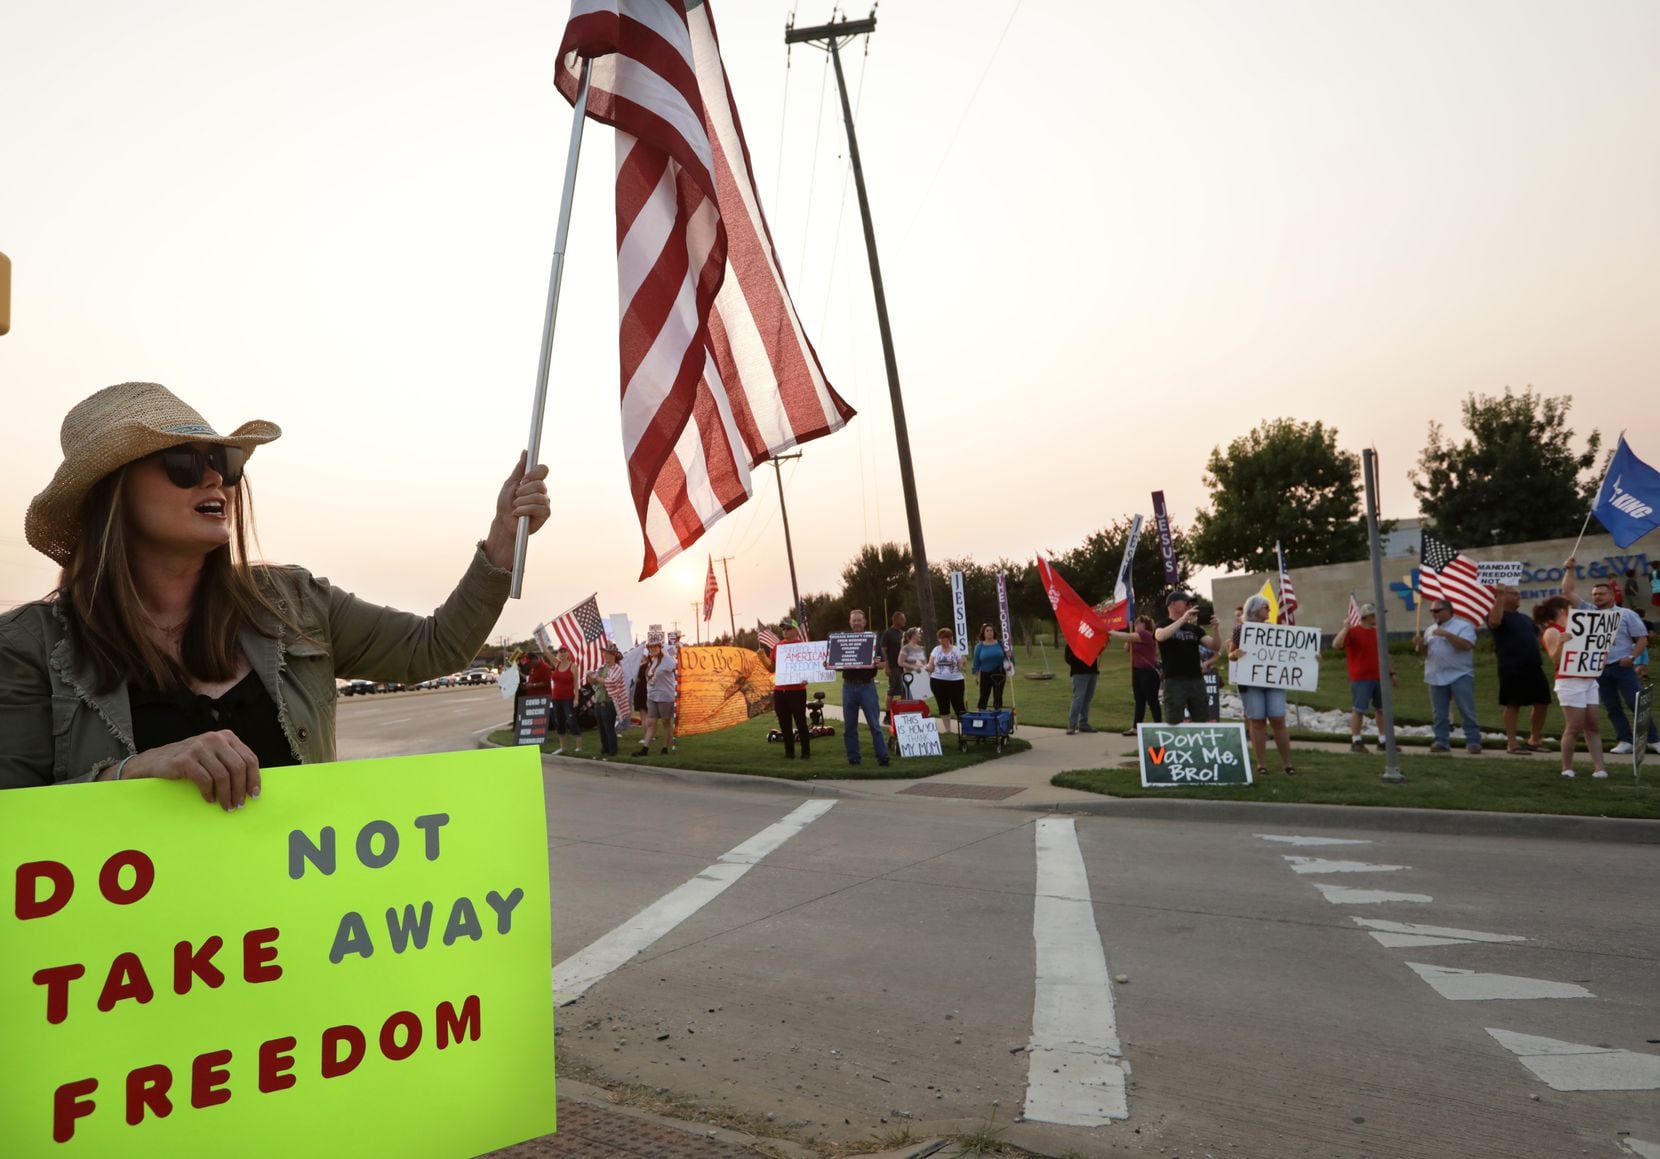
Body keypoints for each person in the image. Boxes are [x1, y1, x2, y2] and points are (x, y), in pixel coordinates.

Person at [0, 381, 550, 804]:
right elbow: (15, 823)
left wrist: (502, 542)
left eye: (224, 463)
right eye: (184, 464)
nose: (215, 479)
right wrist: (136, 773)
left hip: (285, 939)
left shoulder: (294, 601)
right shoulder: (28, 648)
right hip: (141, 949)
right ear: (111, 495)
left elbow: (434, 648)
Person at [1563, 559, 1658, 755]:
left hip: (1622, 666)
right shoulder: (1588, 612)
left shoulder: (1626, 614)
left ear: (1612, 595)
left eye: (1601, 594)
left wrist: (1632, 658)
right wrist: (1570, 570)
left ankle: (1654, 739)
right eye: (1594, 594)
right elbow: (1567, 592)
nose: (1597, 597)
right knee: (1612, 706)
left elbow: (1642, 640)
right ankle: (1624, 740)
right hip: (1597, 668)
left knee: (1636, 703)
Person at [1536, 596, 1606, 778]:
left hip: (1588, 679)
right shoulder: (1553, 631)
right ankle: (1567, 767)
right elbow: (1554, 659)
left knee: (1593, 725)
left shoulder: (1577, 629)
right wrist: (1561, 643)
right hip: (1569, 681)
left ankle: (1600, 768)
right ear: (1563, 611)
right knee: (1574, 726)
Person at [1229, 594, 1295, 776]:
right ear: (1255, 609)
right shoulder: (1240, 630)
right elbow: (1230, 654)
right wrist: (1235, 654)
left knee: (1278, 719)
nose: (1270, 610)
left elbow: (1287, 654)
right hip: (1250, 683)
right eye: (1266, 607)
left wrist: (1308, 660)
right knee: (1257, 721)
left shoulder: (1273, 629)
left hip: (1273, 681)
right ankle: (1261, 764)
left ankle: (1287, 764)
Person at [1483, 584, 1550, 754]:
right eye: (1514, 594)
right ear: (1503, 596)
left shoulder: (1525, 618)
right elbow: (1494, 622)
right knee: (1513, 703)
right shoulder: (1498, 615)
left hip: (1533, 665)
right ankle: (1512, 743)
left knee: (1542, 702)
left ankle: (1534, 739)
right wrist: (1498, 597)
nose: (1518, 597)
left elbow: (1539, 635)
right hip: (1511, 666)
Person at [1413, 599, 1481, 754]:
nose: (1433, 614)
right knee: (1439, 712)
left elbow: (1467, 646)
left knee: (1466, 709)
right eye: (1431, 611)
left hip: (1460, 674)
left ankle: (1473, 742)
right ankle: (1441, 741)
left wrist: (1447, 635)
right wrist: (1420, 644)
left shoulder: (1463, 626)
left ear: (1449, 611)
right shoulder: (1430, 629)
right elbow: (1426, 653)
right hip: (1436, 675)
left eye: (1437, 611)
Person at [1333, 603, 1397, 753]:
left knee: (1382, 709)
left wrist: (1391, 674)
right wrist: (1345, 628)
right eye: (1376, 615)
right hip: (1361, 677)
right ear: (1368, 616)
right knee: (1359, 709)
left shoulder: (1378, 633)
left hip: (1379, 677)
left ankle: (1383, 740)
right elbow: (1336, 644)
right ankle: (1356, 740)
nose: (1379, 618)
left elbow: (1386, 655)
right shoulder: (1353, 632)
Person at [1154, 591, 1217, 724]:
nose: (1189, 606)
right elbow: (1160, 636)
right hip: (1174, 679)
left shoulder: (1195, 629)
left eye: (1190, 603)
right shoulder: (1162, 624)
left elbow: (1214, 646)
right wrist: (1183, 619)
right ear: (1172, 604)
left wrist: (1216, 629)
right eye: (1186, 602)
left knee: (1201, 718)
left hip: (1196, 679)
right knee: (1174, 720)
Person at [840, 609, 889, 765]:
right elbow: (836, 664)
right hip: (849, 687)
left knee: (874, 725)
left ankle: (883, 757)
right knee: (849, 726)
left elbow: (883, 664)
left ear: (864, 621)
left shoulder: (872, 641)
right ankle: (853, 758)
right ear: (850, 622)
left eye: (859, 620)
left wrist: (877, 663)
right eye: (853, 620)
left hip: (867, 686)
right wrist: (829, 664)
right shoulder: (843, 641)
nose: (856, 623)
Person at [1109, 615, 1161, 734]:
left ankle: (1159, 724)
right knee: (1139, 700)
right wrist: (1129, 638)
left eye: (1138, 623)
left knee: (1152, 700)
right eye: (1136, 623)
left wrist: (1112, 632)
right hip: (1137, 670)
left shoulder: (1146, 634)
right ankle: (1136, 727)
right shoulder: (1135, 637)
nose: (1136, 625)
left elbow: (1127, 637)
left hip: (1148, 671)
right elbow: (1126, 648)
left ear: (1144, 625)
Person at [766, 621, 810, 759]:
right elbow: (771, 668)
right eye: (783, 629)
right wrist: (762, 658)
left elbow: (810, 667)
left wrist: (808, 677)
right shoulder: (778, 647)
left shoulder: (803, 647)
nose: (785, 631)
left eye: (788, 628)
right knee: (784, 724)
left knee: (801, 722)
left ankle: (805, 752)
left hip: (797, 690)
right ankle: (789, 753)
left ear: (796, 630)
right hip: (780, 691)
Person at [634, 633, 678, 756]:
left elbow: (678, 670)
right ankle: (645, 749)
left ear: (660, 647)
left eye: (655, 647)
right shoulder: (652, 661)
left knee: (665, 722)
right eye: (650, 647)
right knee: (651, 722)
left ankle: (665, 748)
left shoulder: (668, 660)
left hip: (665, 696)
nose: (652, 649)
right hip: (652, 697)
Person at [926, 626, 967, 734]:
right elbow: (930, 666)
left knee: (958, 705)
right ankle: (947, 730)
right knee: (942, 704)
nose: (942, 640)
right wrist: (924, 667)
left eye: (944, 638)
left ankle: (966, 728)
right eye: (940, 638)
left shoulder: (956, 649)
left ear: (949, 638)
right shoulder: (936, 650)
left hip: (955, 681)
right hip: (937, 681)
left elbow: (960, 666)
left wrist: (963, 663)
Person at [588, 643, 624, 759]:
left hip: (609, 702)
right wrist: (590, 677)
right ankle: (605, 749)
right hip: (599, 701)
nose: (605, 655)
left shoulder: (617, 668)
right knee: (602, 728)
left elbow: (610, 681)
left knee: (609, 727)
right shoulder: (602, 668)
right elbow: (594, 683)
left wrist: (596, 678)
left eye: (608, 653)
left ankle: (612, 751)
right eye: (604, 653)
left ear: (614, 655)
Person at [546, 648, 581, 755]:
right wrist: (540, 637)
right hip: (556, 699)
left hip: (568, 699)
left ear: (568, 654)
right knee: (559, 722)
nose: (562, 655)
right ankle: (562, 747)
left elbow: (576, 684)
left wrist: (576, 698)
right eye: (560, 653)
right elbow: (546, 653)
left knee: (571, 721)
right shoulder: (556, 664)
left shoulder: (573, 666)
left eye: (564, 653)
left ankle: (578, 746)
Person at [1062, 641, 1099, 735]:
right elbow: (1068, 658)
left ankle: (1083, 723)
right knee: (1078, 698)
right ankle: (1072, 725)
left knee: (1087, 698)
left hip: (1092, 671)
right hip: (1079, 673)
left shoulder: (1091, 640)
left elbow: (1097, 651)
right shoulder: (1072, 640)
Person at [972, 623, 1008, 710]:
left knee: (998, 696)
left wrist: (1010, 664)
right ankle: (981, 714)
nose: (989, 632)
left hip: (999, 673)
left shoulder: (1001, 643)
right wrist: (976, 676)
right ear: (983, 633)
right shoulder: (979, 646)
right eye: (987, 631)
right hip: (985, 674)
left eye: (991, 630)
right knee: (984, 695)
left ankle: (997, 714)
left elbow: (1009, 657)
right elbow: (976, 662)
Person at [881, 609, 906, 722]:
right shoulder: (888, 633)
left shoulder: (902, 633)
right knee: (892, 690)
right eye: (902, 619)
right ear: (896, 620)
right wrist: (886, 665)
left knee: (904, 690)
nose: (904, 621)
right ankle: (887, 715)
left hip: (902, 666)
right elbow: (883, 650)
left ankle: (902, 712)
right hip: (893, 666)